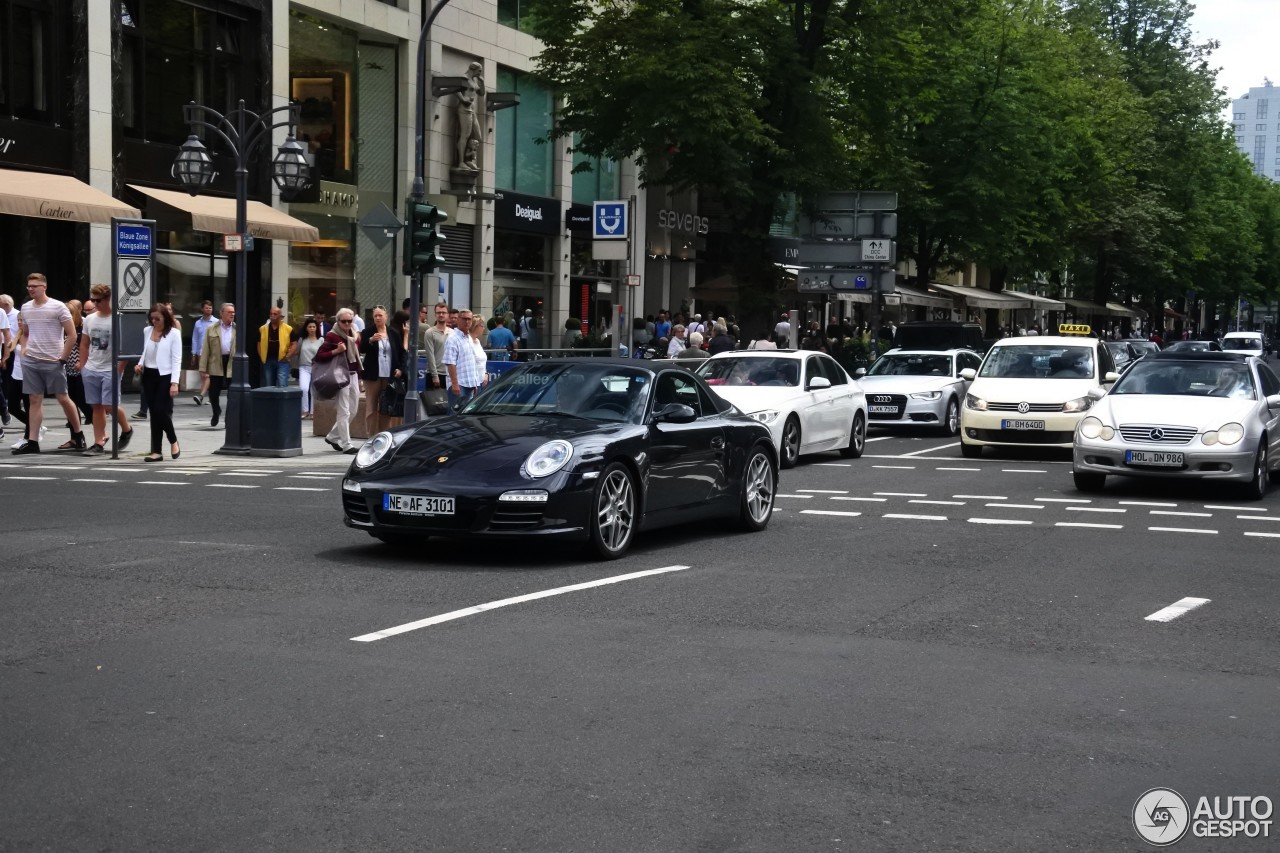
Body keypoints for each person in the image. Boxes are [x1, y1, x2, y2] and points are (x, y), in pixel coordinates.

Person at [12, 273, 86, 454]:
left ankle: (78, 435)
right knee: (34, 399)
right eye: (29, 286)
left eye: (34, 286)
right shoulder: (26, 308)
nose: (31, 289)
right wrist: (24, 350)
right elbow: (25, 332)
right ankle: (32, 441)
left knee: (63, 398)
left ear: (44, 287)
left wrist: (62, 357)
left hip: (53, 360)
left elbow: (72, 335)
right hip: (31, 360)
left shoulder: (57, 306)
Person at [76, 284, 135, 455]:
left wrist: (119, 368)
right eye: (92, 300)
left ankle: (126, 429)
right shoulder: (90, 319)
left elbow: (127, 347)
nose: (94, 303)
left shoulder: (119, 319)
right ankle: (99, 441)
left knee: (110, 404)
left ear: (108, 299)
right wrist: (83, 365)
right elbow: (85, 343)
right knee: (96, 406)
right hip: (92, 367)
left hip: (111, 368)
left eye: (98, 300)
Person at [133, 303, 182, 462]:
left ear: (165, 318)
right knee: (154, 413)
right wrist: (140, 364)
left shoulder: (173, 333)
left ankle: (173, 440)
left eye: (157, 318)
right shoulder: (147, 331)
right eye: (152, 318)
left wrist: (174, 382)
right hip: (149, 375)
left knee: (161, 410)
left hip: (165, 376)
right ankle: (157, 451)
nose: (154, 321)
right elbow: (145, 351)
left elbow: (177, 359)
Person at [315, 308, 362, 453]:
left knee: (353, 410)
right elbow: (319, 356)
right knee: (344, 411)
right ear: (338, 321)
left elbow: (357, 355)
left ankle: (332, 436)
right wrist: (336, 351)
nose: (347, 323)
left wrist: (359, 377)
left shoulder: (354, 333)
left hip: (353, 374)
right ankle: (347, 444)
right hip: (340, 375)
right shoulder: (332, 336)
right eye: (344, 321)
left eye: (350, 321)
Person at [198, 303, 236, 428]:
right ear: (222, 313)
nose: (232, 314)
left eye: (233, 312)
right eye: (229, 312)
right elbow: (206, 349)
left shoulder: (237, 328)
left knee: (232, 393)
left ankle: (229, 417)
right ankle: (216, 411)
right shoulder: (212, 328)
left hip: (231, 362)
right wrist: (203, 367)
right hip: (216, 362)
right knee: (214, 393)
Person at [360, 306, 395, 436]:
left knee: (386, 407)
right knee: (371, 407)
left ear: (386, 316)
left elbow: (397, 352)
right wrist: (370, 340)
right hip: (372, 375)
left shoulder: (392, 332)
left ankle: (384, 434)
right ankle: (370, 435)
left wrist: (398, 370)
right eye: (375, 316)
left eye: (380, 315)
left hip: (388, 375)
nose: (378, 318)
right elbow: (361, 348)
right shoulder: (367, 332)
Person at [444, 307, 482, 412]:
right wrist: (455, 384)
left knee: (464, 416)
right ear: (458, 320)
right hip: (459, 385)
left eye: (469, 319)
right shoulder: (452, 338)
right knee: (454, 416)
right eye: (464, 319)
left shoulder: (469, 338)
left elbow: (471, 362)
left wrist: (475, 383)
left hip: (469, 384)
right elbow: (450, 363)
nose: (467, 321)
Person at [64, 299, 93, 427]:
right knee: (70, 397)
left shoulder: (82, 325)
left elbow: (89, 346)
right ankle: (74, 422)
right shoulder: (63, 327)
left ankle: (91, 416)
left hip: (81, 365)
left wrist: (82, 361)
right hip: (68, 365)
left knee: (81, 397)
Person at [455, 61, 485, 170]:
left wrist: (482, 82)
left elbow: (481, 93)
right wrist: (463, 99)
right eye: (479, 71)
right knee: (465, 135)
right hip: (464, 109)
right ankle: (461, 162)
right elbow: (456, 90)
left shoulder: (474, 80)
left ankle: (469, 159)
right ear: (474, 69)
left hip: (472, 110)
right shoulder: (464, 78)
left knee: (478, 136)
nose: (480, 73)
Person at [423, 301, 451, 414]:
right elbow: (430, 355)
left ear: (447, 314)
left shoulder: (453, 333)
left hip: (449, 374)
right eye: (438, 312)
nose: (441, 315)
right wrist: (435, 376)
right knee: (433, 408)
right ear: (435, 314)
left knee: (449, 407)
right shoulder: (430, 332)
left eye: (443, 312)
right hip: (435, 375)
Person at [257, 306, 294, 387]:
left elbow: (294, 344)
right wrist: (262, 357)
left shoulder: (288, 329)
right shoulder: (263, 329)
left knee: (282, 385)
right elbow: (259, 344)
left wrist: (288, 356)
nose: (272, 316)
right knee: (269, 385)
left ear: (280, 316)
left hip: (282, 360)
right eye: (271, 314)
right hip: (268, 360)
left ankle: (282, 400)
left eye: (275, 314)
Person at [190, 300, 216, 405]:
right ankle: (210, 396)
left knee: (207, 376)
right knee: (202, 375)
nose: (208, 309)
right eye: (206, 308)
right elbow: (195, 339)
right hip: (200, 352)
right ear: (202, 309)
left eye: (210, 308)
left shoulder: (216, 322)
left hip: (212, 353)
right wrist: (193, 354)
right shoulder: (198, 323)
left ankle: (201, 396)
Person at [297, 319, 322, 419]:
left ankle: (313, 412)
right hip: (304, 367)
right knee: (304, 388)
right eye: (310, 327)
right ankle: (305, 410)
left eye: (314, 327)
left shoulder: (321, 340)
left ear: (316, 328)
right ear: (306, 328)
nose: (312, 329)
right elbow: (298, 352)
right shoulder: (302, 340)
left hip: (317, 367)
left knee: (314, 390)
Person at [469, 317, 490, 396]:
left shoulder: (477, 341)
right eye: (482, 326)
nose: (484, 328)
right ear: (476, 326)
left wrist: (486, 373)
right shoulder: (468, 341)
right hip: (472, 383)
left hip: (481, 382)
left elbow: (481, 361)